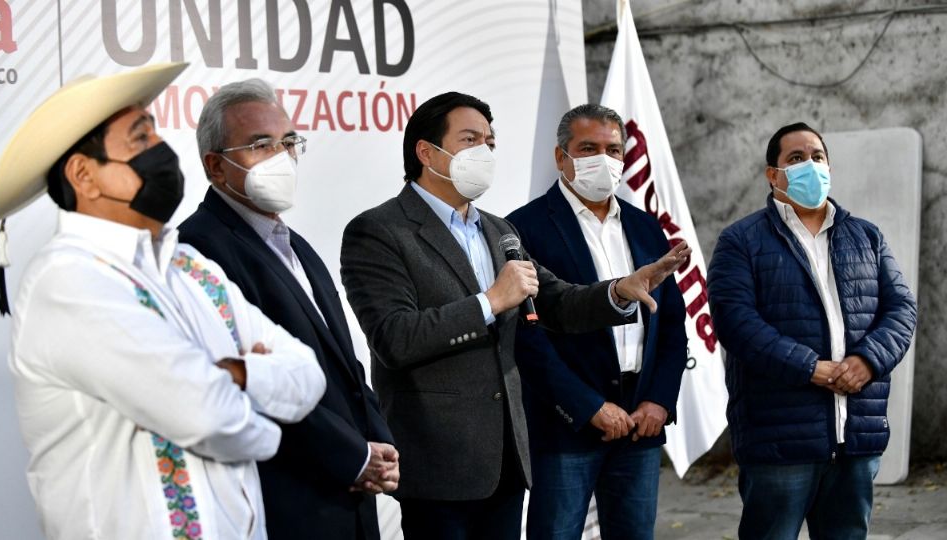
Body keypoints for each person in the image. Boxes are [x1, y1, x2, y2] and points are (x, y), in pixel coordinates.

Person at [0, 63, 327, 540]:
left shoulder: (190, 267)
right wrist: (263, 419)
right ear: (84, 175)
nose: (161, 151)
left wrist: (234, 373)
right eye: (140, 140)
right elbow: (208, 415)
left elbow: (307, 374)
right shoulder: (68, 280)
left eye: (154, 134)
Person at [339, 91, 690, 540]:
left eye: (490, 140)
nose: (484, 151)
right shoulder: (379, 230)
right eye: (470, 139)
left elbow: (557, 301)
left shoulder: (496, 229)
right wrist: (490, 301)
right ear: (426, 152)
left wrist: (618, 291)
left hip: (507, 459)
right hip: (441, 461)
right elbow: (395, 337)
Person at [179, 79, 397, 540]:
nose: (282, 157)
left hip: (352, 493)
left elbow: (344, 362)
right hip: (288, 498)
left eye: (289, 142)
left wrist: (377, 441)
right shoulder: (197, 249)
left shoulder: (295, 244)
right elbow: (248, 382)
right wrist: (351, 457)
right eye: (261, 145)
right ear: (216, 167)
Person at [706, 122, 917, 539]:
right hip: (779, 439)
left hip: (856, 433)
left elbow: (902, 309)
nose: (810, 166)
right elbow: (737, 323)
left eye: (817, 157)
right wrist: (811, 368)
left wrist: (866, 361)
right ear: (773, 174)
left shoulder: (866, 237)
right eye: (796, 159)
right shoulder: (741, 241)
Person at [505, 104, 687, 540]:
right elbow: (527, 338)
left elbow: (673, 323)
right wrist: (588, 408)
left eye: (613, 149)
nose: (603, 159)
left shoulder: (645, 226)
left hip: (642, 419)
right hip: (567, 425)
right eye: (588, 148)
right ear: (560, 157)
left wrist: (659, 400)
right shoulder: (523, 227)